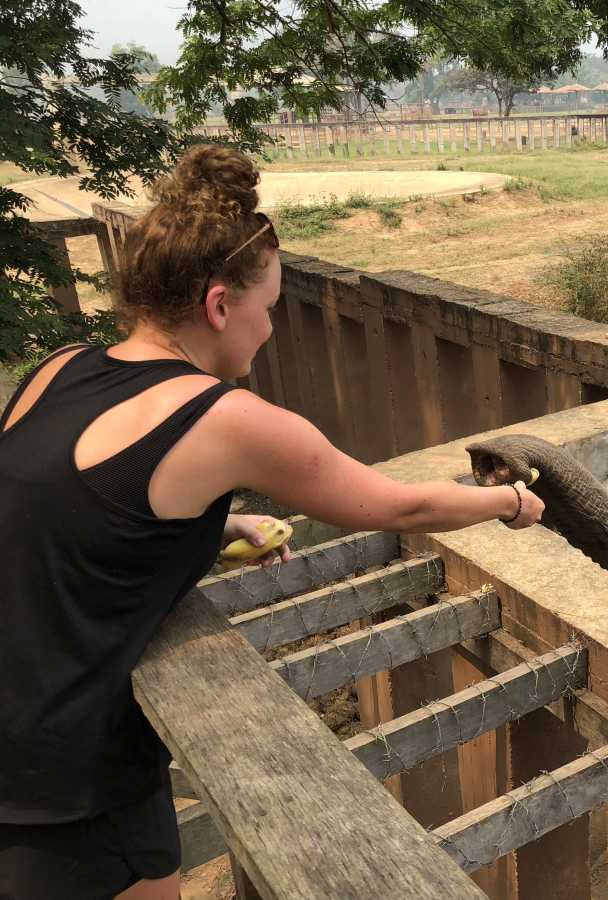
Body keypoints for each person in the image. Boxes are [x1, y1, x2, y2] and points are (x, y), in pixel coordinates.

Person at [0, 145, 544, 900]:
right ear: (221, 306)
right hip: (66, 767)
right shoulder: (224, 417)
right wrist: (509, 503)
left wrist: (214, 528)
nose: (269, 331)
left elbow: (63, 510)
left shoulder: (60, 366)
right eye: (269, 310)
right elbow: (400, 504)